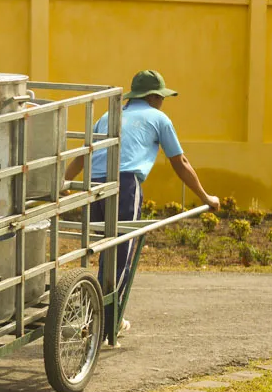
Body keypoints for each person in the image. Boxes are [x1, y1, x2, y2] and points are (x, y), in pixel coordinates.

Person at [64, 70, 219, 342]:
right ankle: (101, 321)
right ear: (153, 97)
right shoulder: (159, 118)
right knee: (121, 254)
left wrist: (63, 181)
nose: (162, 102)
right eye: (161, 97)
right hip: (124, 184)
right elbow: (180, 163)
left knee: (103, 252)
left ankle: (106, 315)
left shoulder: (106, 116)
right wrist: (206, 198)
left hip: (94, 186)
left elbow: (82, 155)